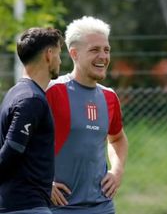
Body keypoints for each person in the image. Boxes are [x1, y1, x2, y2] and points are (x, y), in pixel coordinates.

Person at [46, 16, 128, 214]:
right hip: (57, 207)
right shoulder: (52, 92)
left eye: (106, 50)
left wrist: (116, 170)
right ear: (74, 53)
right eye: (94, 50)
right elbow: (20, 145)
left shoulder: (109, 96)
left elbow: (117, 139)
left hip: (102, 206)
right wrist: (42, 183)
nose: (103, 56)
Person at [0, 27, 64, 213]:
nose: (60, 60)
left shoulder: (15, 93)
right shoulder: (31, 99)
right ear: (49, 55)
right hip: (26, 206)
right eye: (59, 54)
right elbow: (11, 150)